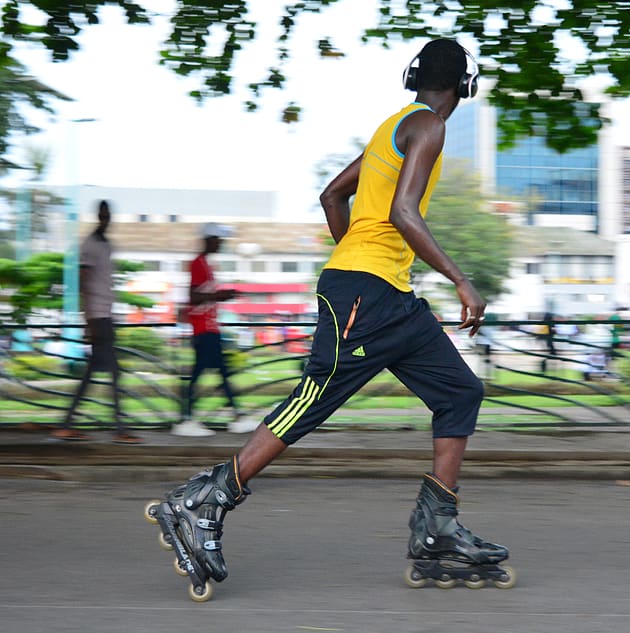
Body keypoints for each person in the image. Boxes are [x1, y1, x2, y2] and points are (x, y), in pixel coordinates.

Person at [150, 39, 512, 592]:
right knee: (314, 399)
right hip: (368, 293)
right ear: (466, 86)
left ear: (415, 78)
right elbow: (403, 210)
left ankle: (437, 527)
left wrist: (360, 261)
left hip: (386, 293)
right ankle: (201, 500)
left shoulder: (393, 126)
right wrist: (459, 279)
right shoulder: (430, 127)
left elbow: (331, 197)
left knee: (459, 391)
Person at [51, 200, 143, 444]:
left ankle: (68, 424)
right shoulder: (90, 244)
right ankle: (119, 428)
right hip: (98, 318)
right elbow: (83, 281)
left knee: (93, 375)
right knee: (113, 373)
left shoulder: (106, 245)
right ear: (98, 216)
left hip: (105, 316)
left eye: (108, 214)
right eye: (102, 215)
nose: (106, 219)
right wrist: (87, 320)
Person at [171, 223, 259, 436]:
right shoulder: (198, 264)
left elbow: (201, 296)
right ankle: (191, 418)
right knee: (209, 373)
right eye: (218, 240)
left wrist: (222, 294)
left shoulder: (205, 265)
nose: (221, 244)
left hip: (208, 329)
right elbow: (193, 297)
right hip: (204, 330)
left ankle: (194, 417)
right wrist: (219, 296)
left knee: (214, 373)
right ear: (209, 239)